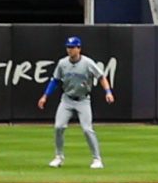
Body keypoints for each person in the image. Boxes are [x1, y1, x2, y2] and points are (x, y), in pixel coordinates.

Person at [40, 34, 113, 168]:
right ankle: (59, 157)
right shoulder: (63, 63)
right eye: (68, 47)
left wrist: (108, 92)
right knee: (58, 127)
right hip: (67, 99)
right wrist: (45, 96)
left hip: (83, 100)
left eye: (73, 47)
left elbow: (101, 77)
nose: (70, 50)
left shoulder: (87, 63)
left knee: (87, 129)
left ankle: (97, 159)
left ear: (79, 48)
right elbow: (55, 80)